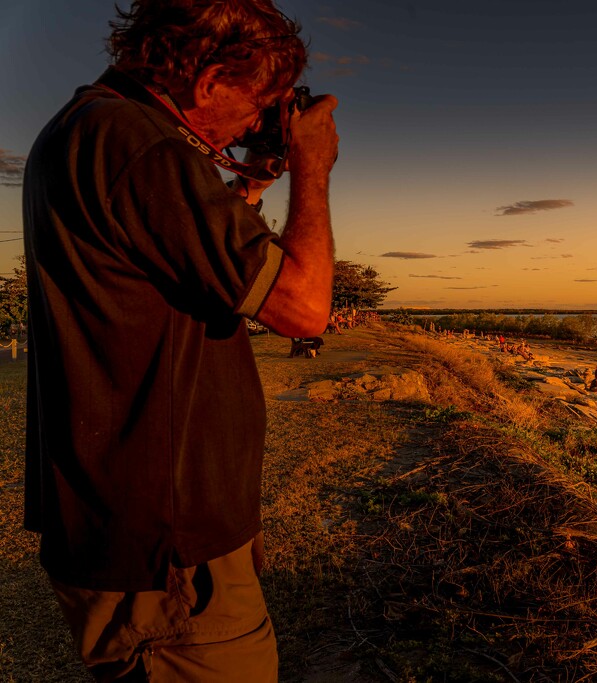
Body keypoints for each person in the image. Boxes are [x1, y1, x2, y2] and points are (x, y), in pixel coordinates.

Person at [21, 1, 338, 679]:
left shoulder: (93, 127)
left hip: (133, 524)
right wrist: (312, 167)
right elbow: (305, 307)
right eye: (261, 102)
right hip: (164, 552)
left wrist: (250, 180)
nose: (261, 121)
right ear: (209, 83)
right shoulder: (143, 146)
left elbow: (182, 263)